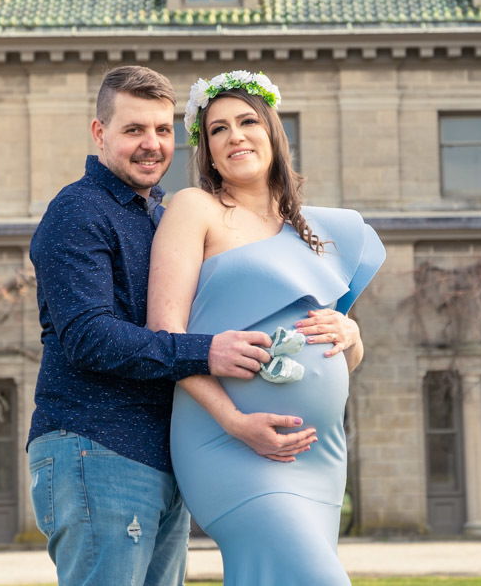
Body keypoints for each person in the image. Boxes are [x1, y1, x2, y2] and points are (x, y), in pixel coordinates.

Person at [25, 65, 320, 586]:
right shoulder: (78, 210)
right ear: (100, 133)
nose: (151, 145)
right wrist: (205, 352)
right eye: (134, 130)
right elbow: (88, 337)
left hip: (160, 454)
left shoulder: (156, 215)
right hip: (97, 446)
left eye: (163, 131)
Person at [148, 70, 386, 585]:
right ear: (207, 151)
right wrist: (236, 422)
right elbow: (164, 335)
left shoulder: (318, 232)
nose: (234, 135)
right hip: (226, 444)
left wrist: (352, 336)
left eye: (247, 121)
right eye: (217, 129)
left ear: (273, 132)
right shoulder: (195, 208)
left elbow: (341, 356)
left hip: (318, 455)